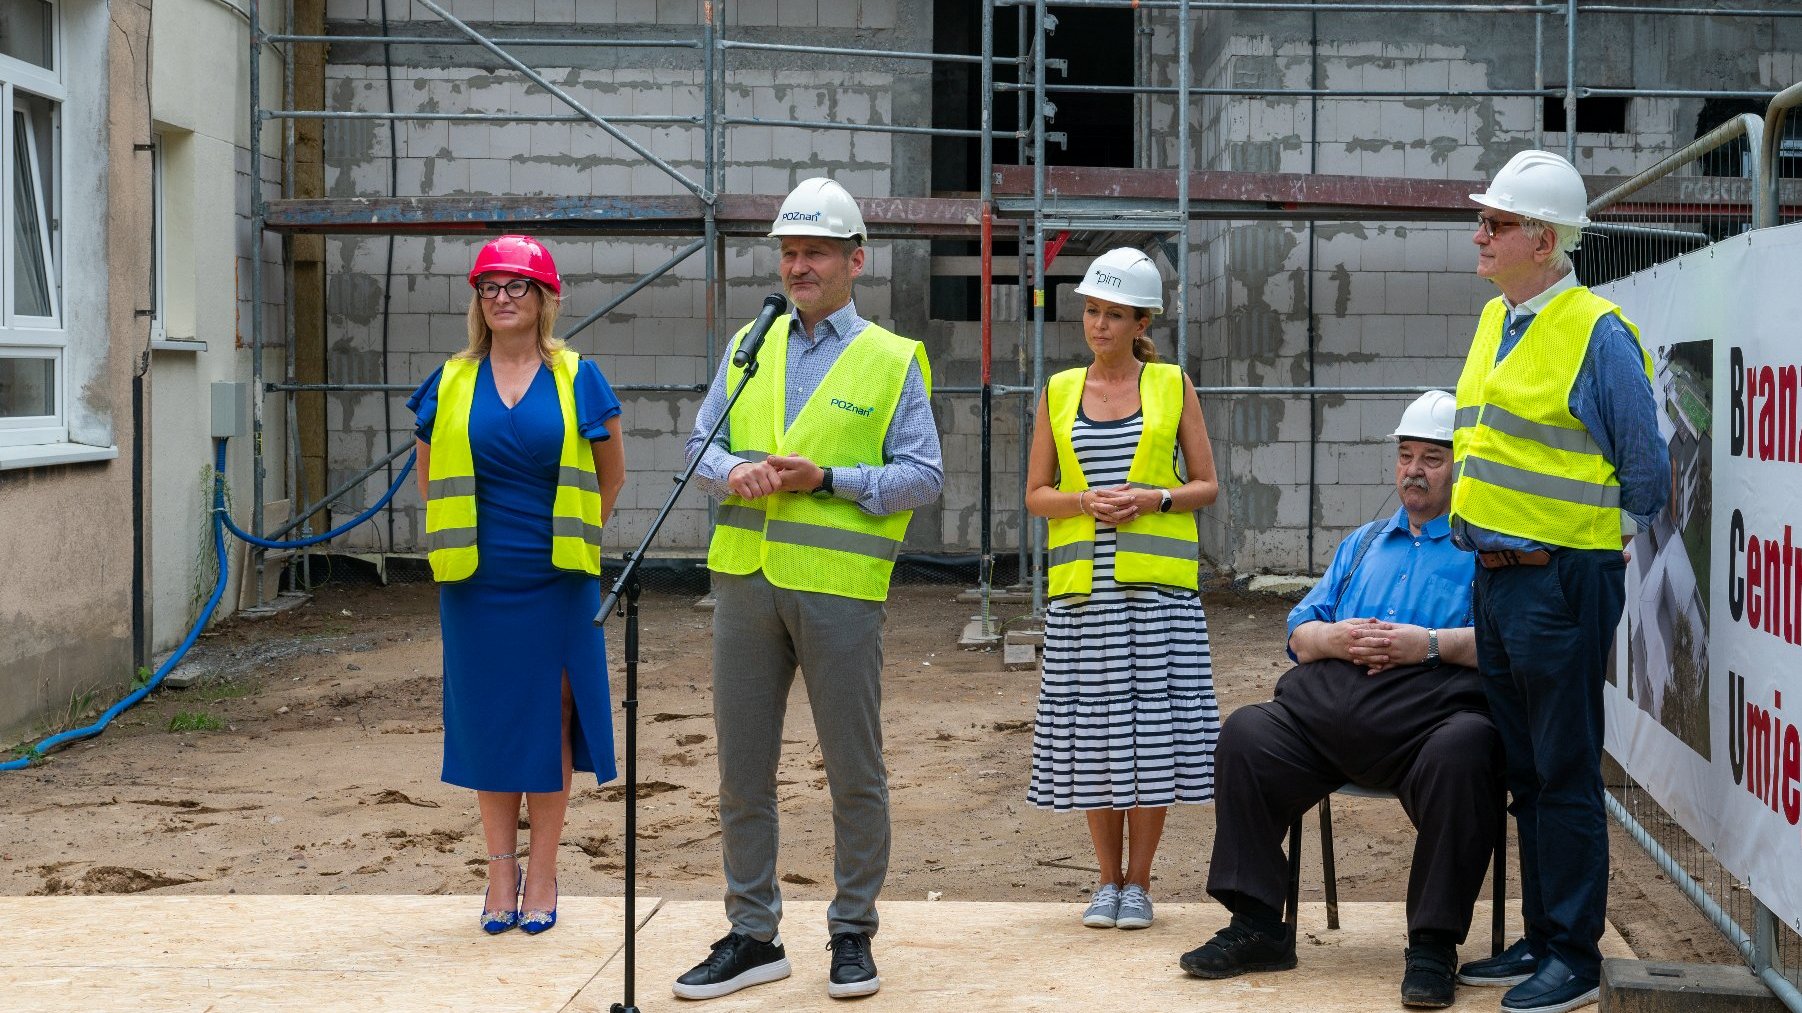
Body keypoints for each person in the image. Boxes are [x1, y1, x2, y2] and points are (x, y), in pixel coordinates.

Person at [674, 177, 942, 1001]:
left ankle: (852, 930)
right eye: (789, 253)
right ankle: (754, 932)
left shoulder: (892, 358)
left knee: (854, 768)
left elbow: (923, 477)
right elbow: (697, 447)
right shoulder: (751, 346)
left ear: (854, 260)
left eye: (815, 252)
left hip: (838, 590)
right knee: (740, 770)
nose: (798, 266)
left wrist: (829, 476)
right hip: (746, 584)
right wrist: (734, 472)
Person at [1180, 391, 1500, 1009]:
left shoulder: (1484, 552)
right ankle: (1257, 926)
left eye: (1433, 458)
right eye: (1406, 456)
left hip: (1426, 726)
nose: (1414, 470)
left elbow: (1503, 647)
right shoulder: (1363, 544)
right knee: (1247, 733)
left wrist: (1425, 644)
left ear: (1464, 468)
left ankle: (1432, 946)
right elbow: (1300, 629)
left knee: (1470, 750)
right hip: (1326, 719)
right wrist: (1335, 637)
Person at [1450, 150, 1669, 1013]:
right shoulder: (1497, 319)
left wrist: (1588, 546)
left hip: (1559, 583)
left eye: (1496, 223)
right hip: (1499, 581)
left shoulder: (1597, 330)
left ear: (1542, 240)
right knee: (1530, 771)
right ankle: (1544, 936)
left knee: (1567, 767)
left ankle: (1573, 956)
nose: (1481, 234)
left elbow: (1646, 475)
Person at [408, 234, 627, 936]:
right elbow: (429, 471)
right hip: (476, 579)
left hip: (557, 576)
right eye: (490, 287)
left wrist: (577, 540)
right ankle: (499, 871)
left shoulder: (577, 374)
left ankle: (545, 872)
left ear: (543, 299)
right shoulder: (449, 380)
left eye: (517, 286)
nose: (503, 298)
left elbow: (611, 473)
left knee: (550, 718)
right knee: (490, 719)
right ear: (478, 300)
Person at [1022, 247, 1219, 933]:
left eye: (1113, 314)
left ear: (1142, 322)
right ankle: (1104, 880)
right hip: (1085, 596)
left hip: (1156, 598)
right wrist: (1083, 504)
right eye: (1091, 310)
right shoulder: (1057, 391)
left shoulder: (1172, 386)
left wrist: (1153, 498)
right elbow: (1036, 493)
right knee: (1099, 741)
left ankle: (1140, 883)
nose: (1098, 324)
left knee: (1152, 739)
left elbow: (1206, 483)